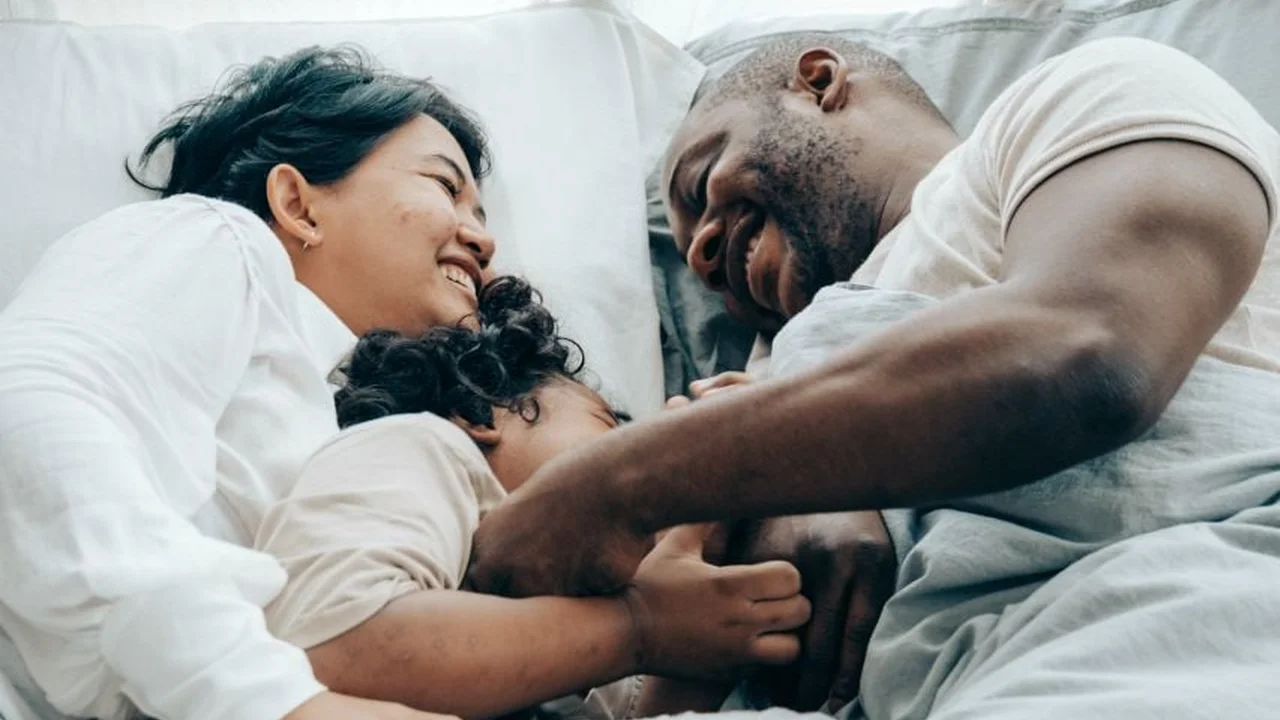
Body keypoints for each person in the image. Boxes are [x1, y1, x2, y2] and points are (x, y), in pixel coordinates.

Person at [466, 33, 1280, 720]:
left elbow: (1088, 351)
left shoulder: (1085, 96)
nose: (703, 253)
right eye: (691, 250)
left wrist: (617, 484)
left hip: (1176, 605)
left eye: (700, 185)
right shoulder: (771, 377)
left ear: (817, 84)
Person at [0, 46, 497, 720]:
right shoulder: (218, 241)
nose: (483, 240)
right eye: (446, 187)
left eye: (485, 214)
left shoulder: (347, 413)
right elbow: (32, 410)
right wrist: (272, 701)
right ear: (297, 205)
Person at [255, 276, 811, 718]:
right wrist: (640, 625)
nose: (634, 462)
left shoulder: (571, 627)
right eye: (611, 430)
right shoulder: (421, 445)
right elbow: (339, 647)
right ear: (480, 412)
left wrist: (701, 540)